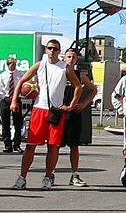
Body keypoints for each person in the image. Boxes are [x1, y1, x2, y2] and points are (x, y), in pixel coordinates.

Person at [11, 39, 82, 191]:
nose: (52, 51)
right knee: (31, 145)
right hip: (39, 108)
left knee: (53, 146)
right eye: (49, 48)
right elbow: (22, 81)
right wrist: (14, 100)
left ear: (59, 51)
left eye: (55, 49)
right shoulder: (40, 64)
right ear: (46, 50)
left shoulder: (65, 68)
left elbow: (78, 87)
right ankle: (22, 177)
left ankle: (48, 177)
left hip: (56, 111)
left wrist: (71, 105)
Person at [61, 48, 98, 187]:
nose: (71, 59)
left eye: (73, 57)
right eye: (69, 57)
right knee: (54, 146)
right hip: (60, 111)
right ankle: (50, 174)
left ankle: (74, 175)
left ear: (76, 60)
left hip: (74, 113)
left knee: (74, 146)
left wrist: (84, 103)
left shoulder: (80, 75)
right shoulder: (59, 73)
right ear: (64, 58)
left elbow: (93, 90)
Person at [0, 56, 24, 152]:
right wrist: (6, 97)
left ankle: (17, 144)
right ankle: (7, 145)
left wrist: (16, 97)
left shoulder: (20, 74)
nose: (13, 66)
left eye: (15, 64)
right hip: (6, 100)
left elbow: (22, 86)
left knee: (18, 123)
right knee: (5, 123)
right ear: (8, 65)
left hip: (16, 99)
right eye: (12, 64)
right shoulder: (3, 75)